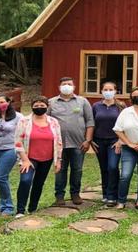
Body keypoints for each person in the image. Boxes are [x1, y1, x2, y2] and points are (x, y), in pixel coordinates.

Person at [48, 77, 94, 206]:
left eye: (69, 84)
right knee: (60, 170)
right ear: (59, 87)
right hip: (59, 144)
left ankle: (75, 194)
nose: (67, 86)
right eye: (64, 84)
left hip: (79, 143)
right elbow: (45, 121)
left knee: (77, 169)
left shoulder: (82, 101)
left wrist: (88, 140)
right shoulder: (51, 102)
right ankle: (59, 196)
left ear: (74, 86)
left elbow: (90, 121)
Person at [15, 96, 63, 217]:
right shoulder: (24, 121)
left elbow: (59, 142)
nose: (39, 108)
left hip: (47, 158)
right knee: (25, 181)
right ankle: (20, 210)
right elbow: (18, 142)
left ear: (47, 106)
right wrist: (24, 160)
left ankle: (32, 208)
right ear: (32, 107)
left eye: (42, 105)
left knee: (38, 183)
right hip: (29, 158)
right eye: (36, 106)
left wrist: (58, 160)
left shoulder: (54, 122)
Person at [92, 82, 125, 207]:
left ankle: (113, 195)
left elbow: (125, 124)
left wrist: (120, 141)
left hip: (114, 141)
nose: (108, 91)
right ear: (101, 91)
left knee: (112, 167)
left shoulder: (121, 106)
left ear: (115, 91)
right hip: (99, 141)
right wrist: (91, 139)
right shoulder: (96, 106)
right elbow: (92, 123)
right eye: (105, 89)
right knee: (104, 168)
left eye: (111, 89)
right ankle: (105, 194)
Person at [0, 94, 23, 217]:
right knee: (2, 179)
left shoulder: (18, 117)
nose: (0, 105)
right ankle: (2, 204)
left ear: (8, 102)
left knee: (0, 178)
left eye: (2, 102)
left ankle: (8, 207)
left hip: (10, 149)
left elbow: (24, 133)